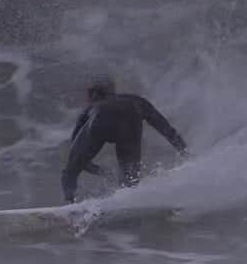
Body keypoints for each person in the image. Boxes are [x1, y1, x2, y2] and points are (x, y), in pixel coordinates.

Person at [61, 74, 187, 203]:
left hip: (101, 120)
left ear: (93, 94)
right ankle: (129, 201)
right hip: (130, 119)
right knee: (130, 178)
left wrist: (102, 171)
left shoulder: (92, 107)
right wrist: (184, 151)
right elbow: (165, 128)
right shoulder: (137, 101)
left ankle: (69, 204)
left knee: (70, 169)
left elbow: (74, 160)